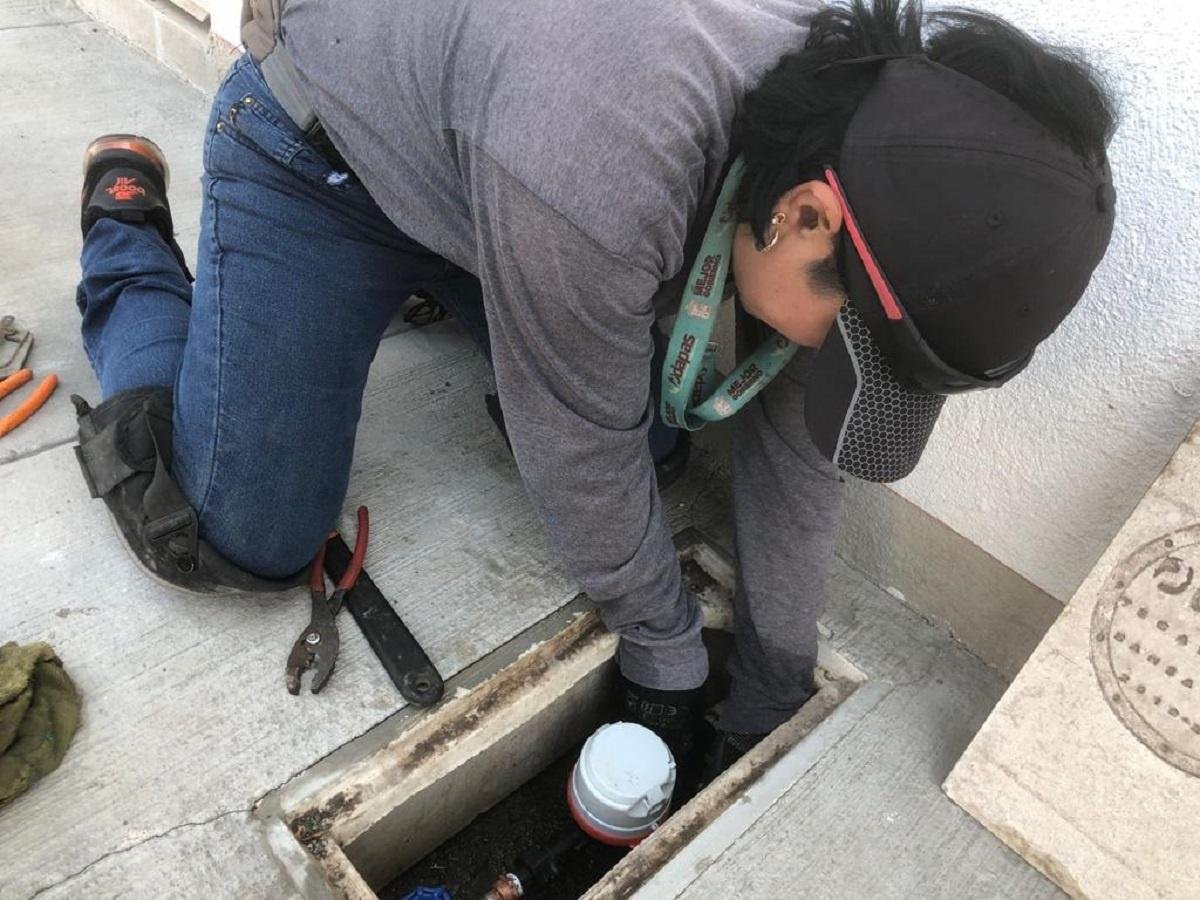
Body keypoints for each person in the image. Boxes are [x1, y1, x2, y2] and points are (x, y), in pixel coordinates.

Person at [72, 0, 1116, 779]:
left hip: (498, 178)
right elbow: (575, 441)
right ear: (806, 217)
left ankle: (470, 272)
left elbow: (798, 451)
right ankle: (126, 234)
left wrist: (770, 680)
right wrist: (665, 656)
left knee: (655, 445)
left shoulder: (870, 134)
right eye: (848, 347)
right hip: (322, 153)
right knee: (242, 534)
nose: (823, 365)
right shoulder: (612, 165)